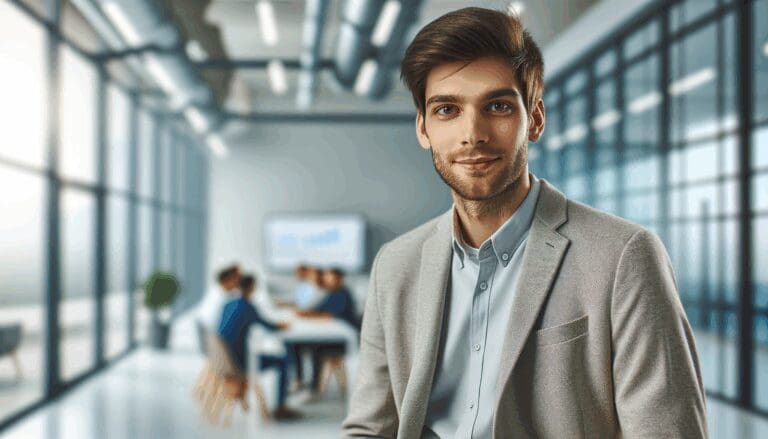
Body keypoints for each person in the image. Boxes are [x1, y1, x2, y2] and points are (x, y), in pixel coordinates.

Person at [342, 7, 707, 439]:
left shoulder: (623, 257)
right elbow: (370, 427)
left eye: (496, 106)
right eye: (446, 110)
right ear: (423, 127)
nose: (472, 133)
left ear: (534, 119)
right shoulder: (396, 265)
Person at [218, 274, 300, 419]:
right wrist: (282, 325)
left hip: (223, 358)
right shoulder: (248, 307)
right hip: (239, 363)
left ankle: (282, 405)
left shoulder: (228, 304)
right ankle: (281, 408)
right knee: (284, 361)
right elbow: (269, 327)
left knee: (275, 356)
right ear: (252, 288)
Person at [197, 264, 240, 333]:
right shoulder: (216, 296)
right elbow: (210, 322)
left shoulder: (229, 295)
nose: (238, 282)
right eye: (236, 278)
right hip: (211, 334)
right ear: (228, 279)